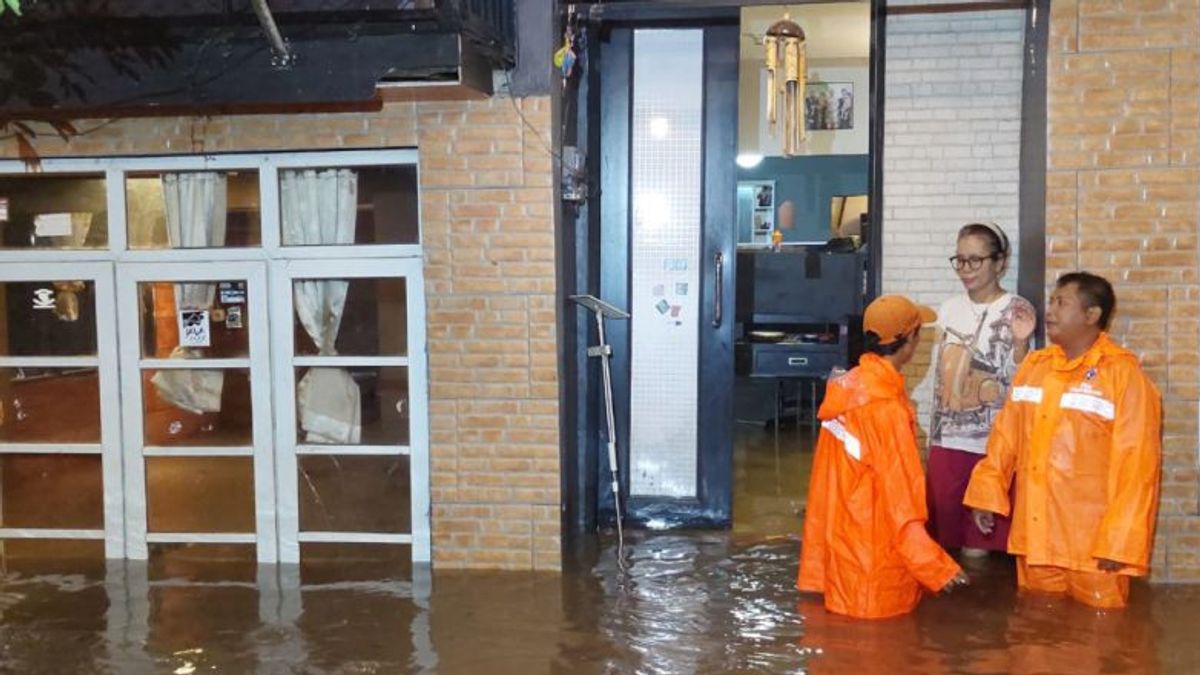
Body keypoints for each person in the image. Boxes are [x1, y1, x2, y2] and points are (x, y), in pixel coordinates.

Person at [964, 272, 1162, 609]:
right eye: (1051, 301)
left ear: (1092, 315)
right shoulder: (1035, 367)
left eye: (1061, 302)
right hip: (1037, 540)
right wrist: (986, 492)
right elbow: (1005, 437)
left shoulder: (1123, 376)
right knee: (1035, 631)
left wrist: (1120, 542)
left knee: (1098, 637)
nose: (1050, 310)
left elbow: (1138, 466)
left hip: (1094, 550)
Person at [799, 294, 968, 619]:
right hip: (876, 567)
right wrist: (936, 567)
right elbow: (900, 496)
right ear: (909, 341)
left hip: (843, 557)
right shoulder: (884, 408)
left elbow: (825, 489)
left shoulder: (847, 388)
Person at [927, 222, 1036, 557]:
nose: (965, 269)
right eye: (959, 260)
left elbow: (1023, 379)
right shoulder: (949, 309)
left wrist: (1020, 344)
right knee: (944, 541)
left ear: (1000, 262)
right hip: (946, 439)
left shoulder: (1017, 309)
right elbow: (938, 374)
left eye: (975, 260)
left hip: (992, 444)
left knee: (981, 548)